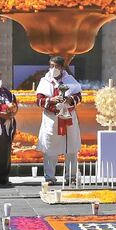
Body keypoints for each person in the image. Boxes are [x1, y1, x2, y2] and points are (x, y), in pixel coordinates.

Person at [36, 56, 82, 186]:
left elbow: (79, 97)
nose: (53, 69)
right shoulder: (44, 81)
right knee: (50, 148)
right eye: (51, 66)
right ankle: (49, 177)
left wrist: (70, 100)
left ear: (62, 68)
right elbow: (38, 100)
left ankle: (71, 176)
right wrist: (50, 100)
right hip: (51, 119)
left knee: (71, 147)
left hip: (68, 119)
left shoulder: (70, 80)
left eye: (56, 66)